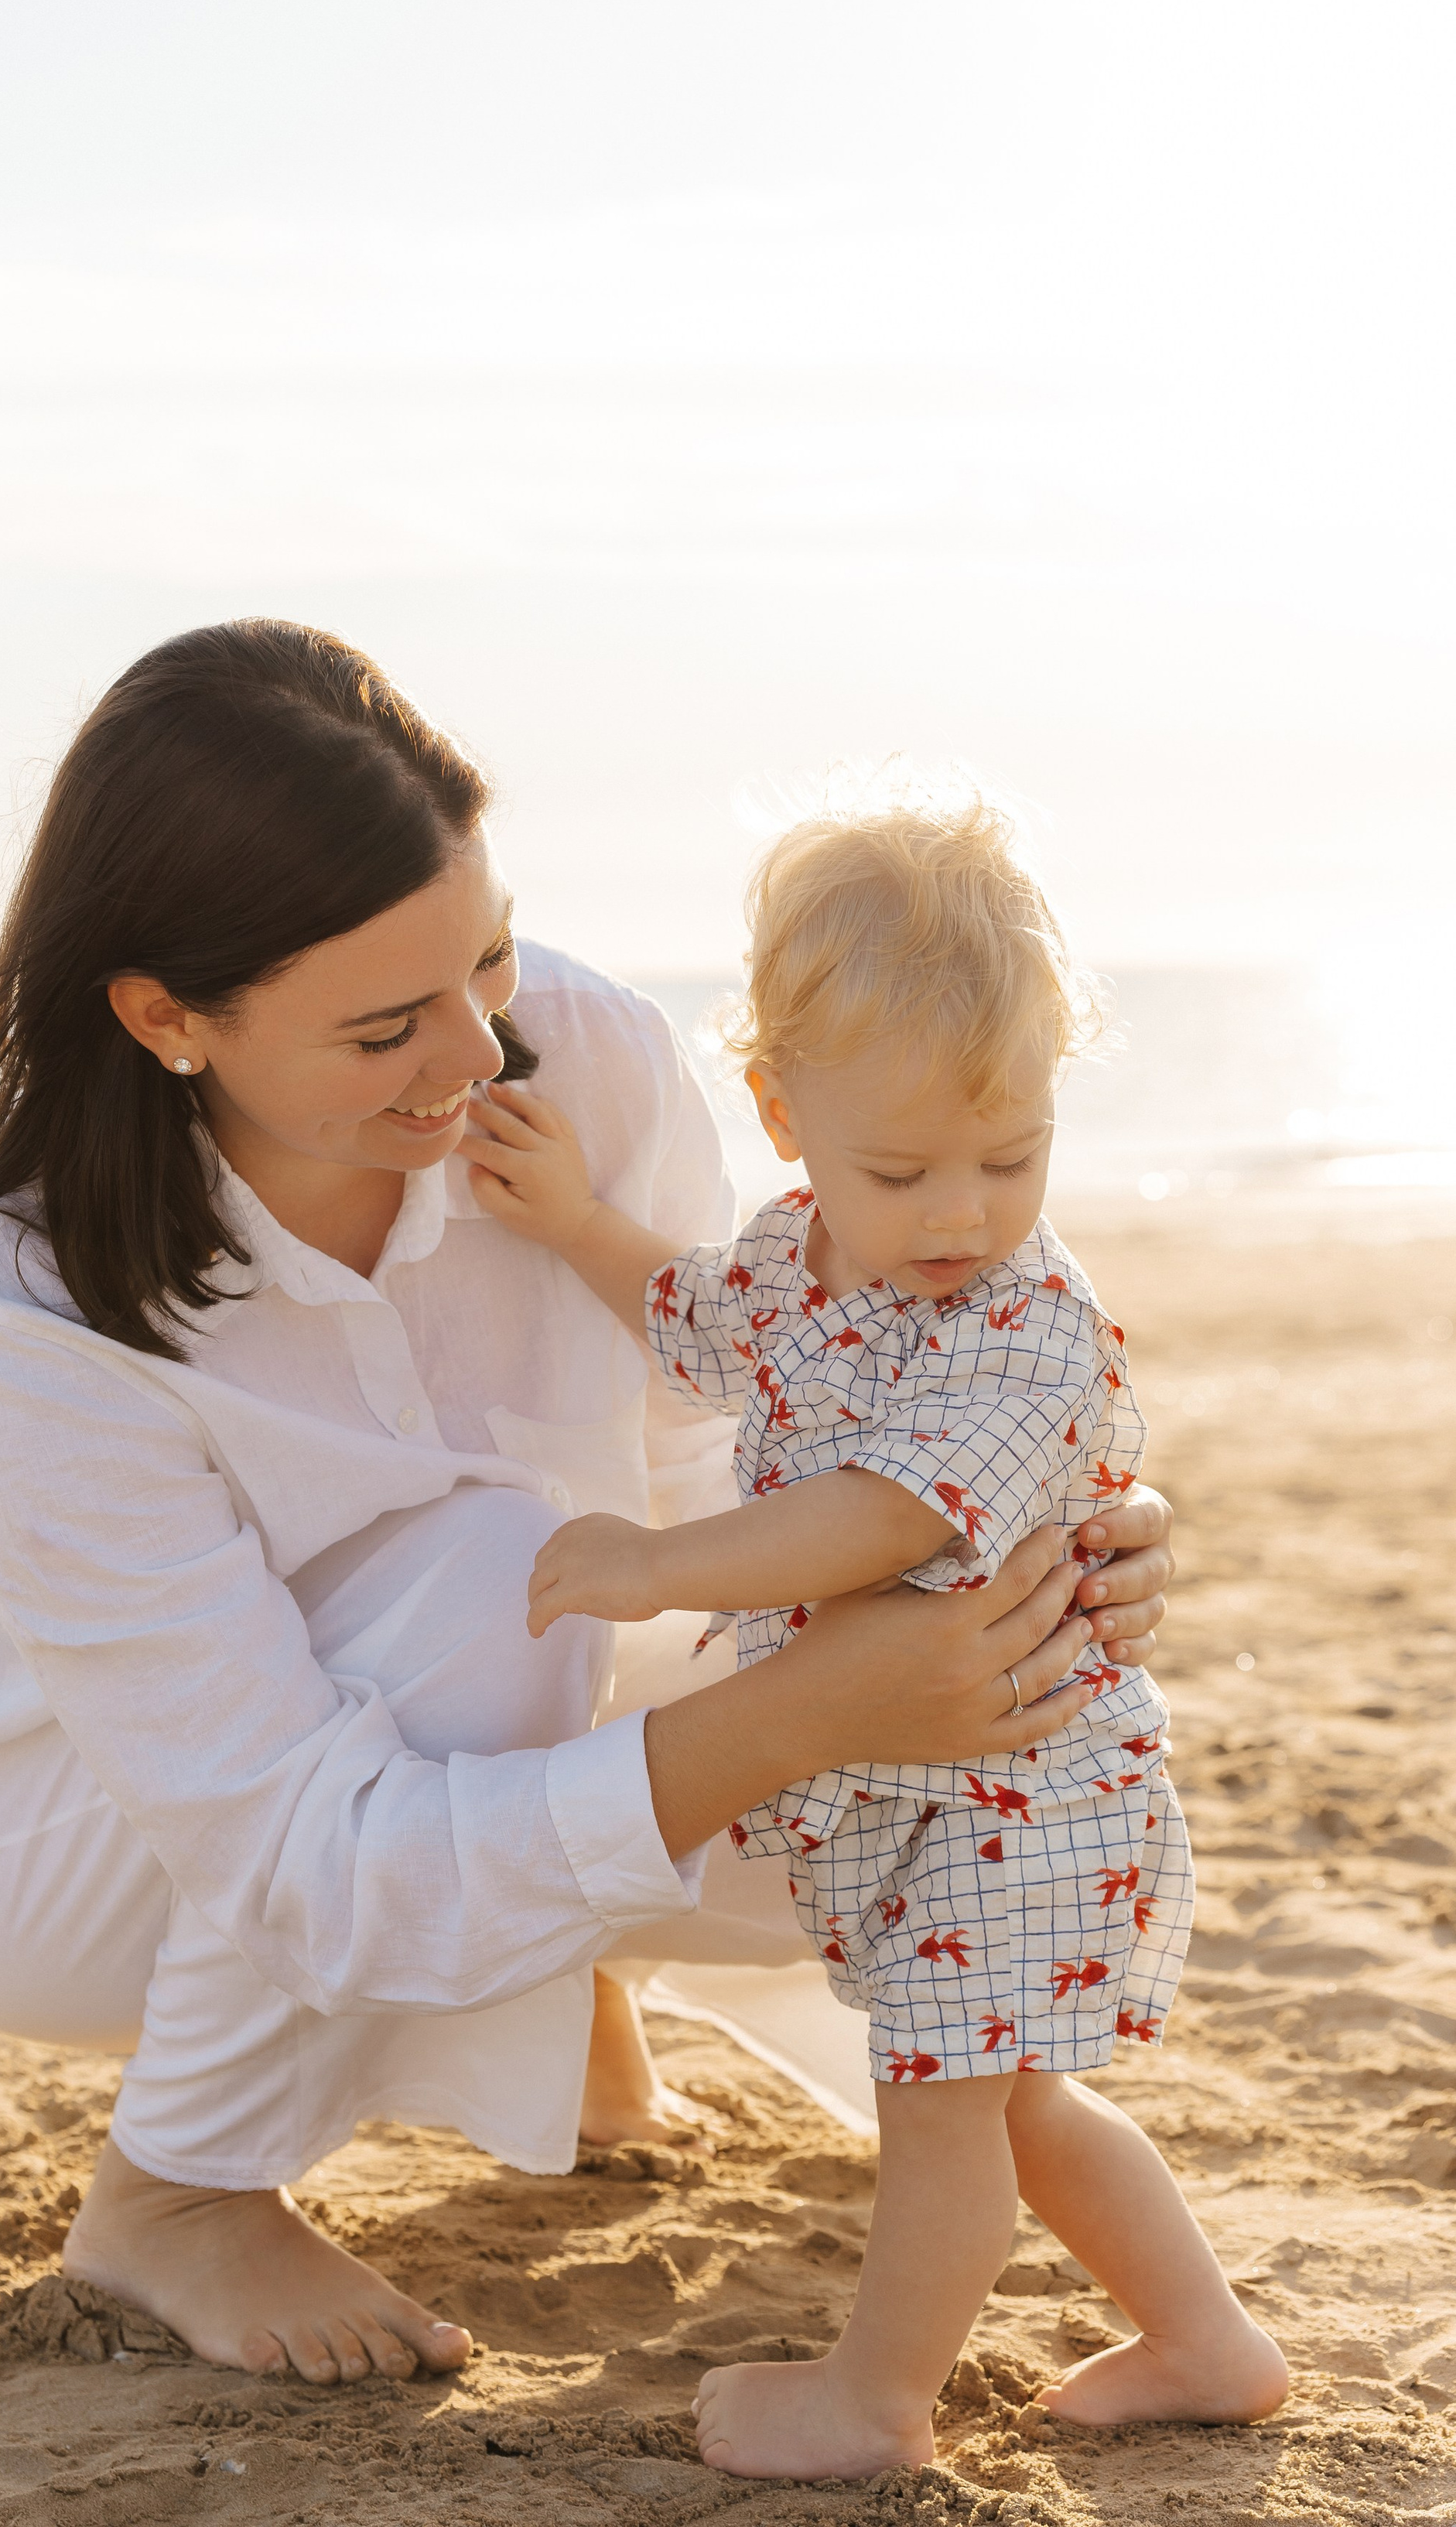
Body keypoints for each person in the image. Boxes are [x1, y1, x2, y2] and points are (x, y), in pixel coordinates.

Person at [0, 621, 1178, 2390]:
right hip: (39, 1830)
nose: (478, 1053)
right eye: (385, 1024)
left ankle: (567, 1983)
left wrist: (1056, 1534)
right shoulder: (33, 1306)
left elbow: (738, 1447)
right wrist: (803, 1697)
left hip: (488, 1689)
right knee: (495, 1577)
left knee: (958, 1758)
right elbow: (301, 1850)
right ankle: (173, 2193)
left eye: (492, 959)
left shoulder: (586, 1059)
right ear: (164, 1017)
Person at [462, 786, 1285, 2478]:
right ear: (780, 1114)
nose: (958, 1213)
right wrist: (569, 1225)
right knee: (1012, 2101)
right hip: (913, 1788)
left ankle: (875, 2400)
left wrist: (657, 1558)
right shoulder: (802, 1258)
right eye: (897, 1167)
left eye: (1011, 1155)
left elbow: (889, 1512)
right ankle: (1202, 2334)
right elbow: (695, 1312)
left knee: (936, 2108)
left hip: (1018, 1785)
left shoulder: (1023, 1325)